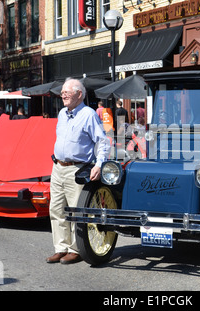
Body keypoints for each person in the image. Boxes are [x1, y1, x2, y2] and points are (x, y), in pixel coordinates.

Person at [46, 78, 110, 265]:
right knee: (56, 210)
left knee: (76, 211)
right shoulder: (62, 114)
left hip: (77, 169)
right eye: (62, 92)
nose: (62, 94)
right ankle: (61, 248)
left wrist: (99, 164)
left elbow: (102, 141)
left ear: (79, 94)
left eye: (67, 91)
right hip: (58, 167)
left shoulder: (89, 114)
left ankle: (76, 249)